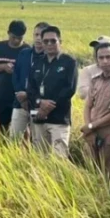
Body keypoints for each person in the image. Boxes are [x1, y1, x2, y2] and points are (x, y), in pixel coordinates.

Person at [27, 25, 77, 158]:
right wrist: (40, 103)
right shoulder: (37, 63)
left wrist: (48, 107)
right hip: (39, 118)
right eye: (46, 41)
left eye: (53, 41)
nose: (49, 44)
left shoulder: (69, 62)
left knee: (59, 159)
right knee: (40, 158)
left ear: (60, 41)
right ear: (42, 43)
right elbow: (31, 89)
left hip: (59, 119)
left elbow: (69, 89)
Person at [81, 40, 110, 180]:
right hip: (93, 134)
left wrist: (92, 125)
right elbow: (88, 106)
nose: (105, 61)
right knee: (91, 172)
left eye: (109, 57)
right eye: (101, 58)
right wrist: (89, 126)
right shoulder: (95, 80)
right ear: (96, 61)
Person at [0, 20, 30, 131]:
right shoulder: (0, 47)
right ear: (8, 33)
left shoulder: (27, 50)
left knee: (23, 130)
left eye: (20, 38)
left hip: (20, 98)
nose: (16, 41)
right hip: (2, 95)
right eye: (13, 37)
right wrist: (4, 67)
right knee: (1, 127)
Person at [11, 22, 49, 141]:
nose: (38, 38)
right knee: (14, 138)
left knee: (38, 141)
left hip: (38, 106)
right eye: (36, 34)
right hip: (19, 103)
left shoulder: (49, 58)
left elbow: (49, 84)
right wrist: (20, 95)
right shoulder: (24, 53)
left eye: (41, 35)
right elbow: (15, 75)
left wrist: (28, 96)